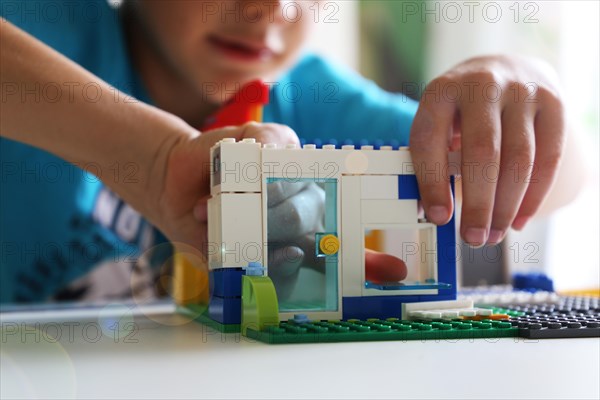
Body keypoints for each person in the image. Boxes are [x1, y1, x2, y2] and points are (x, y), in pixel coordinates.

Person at [0, 0, 572, 303]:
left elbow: (563, 179)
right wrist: (155, 160)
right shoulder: (52, 28)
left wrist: (523, 86)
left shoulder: (310, 98)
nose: (272, 6)